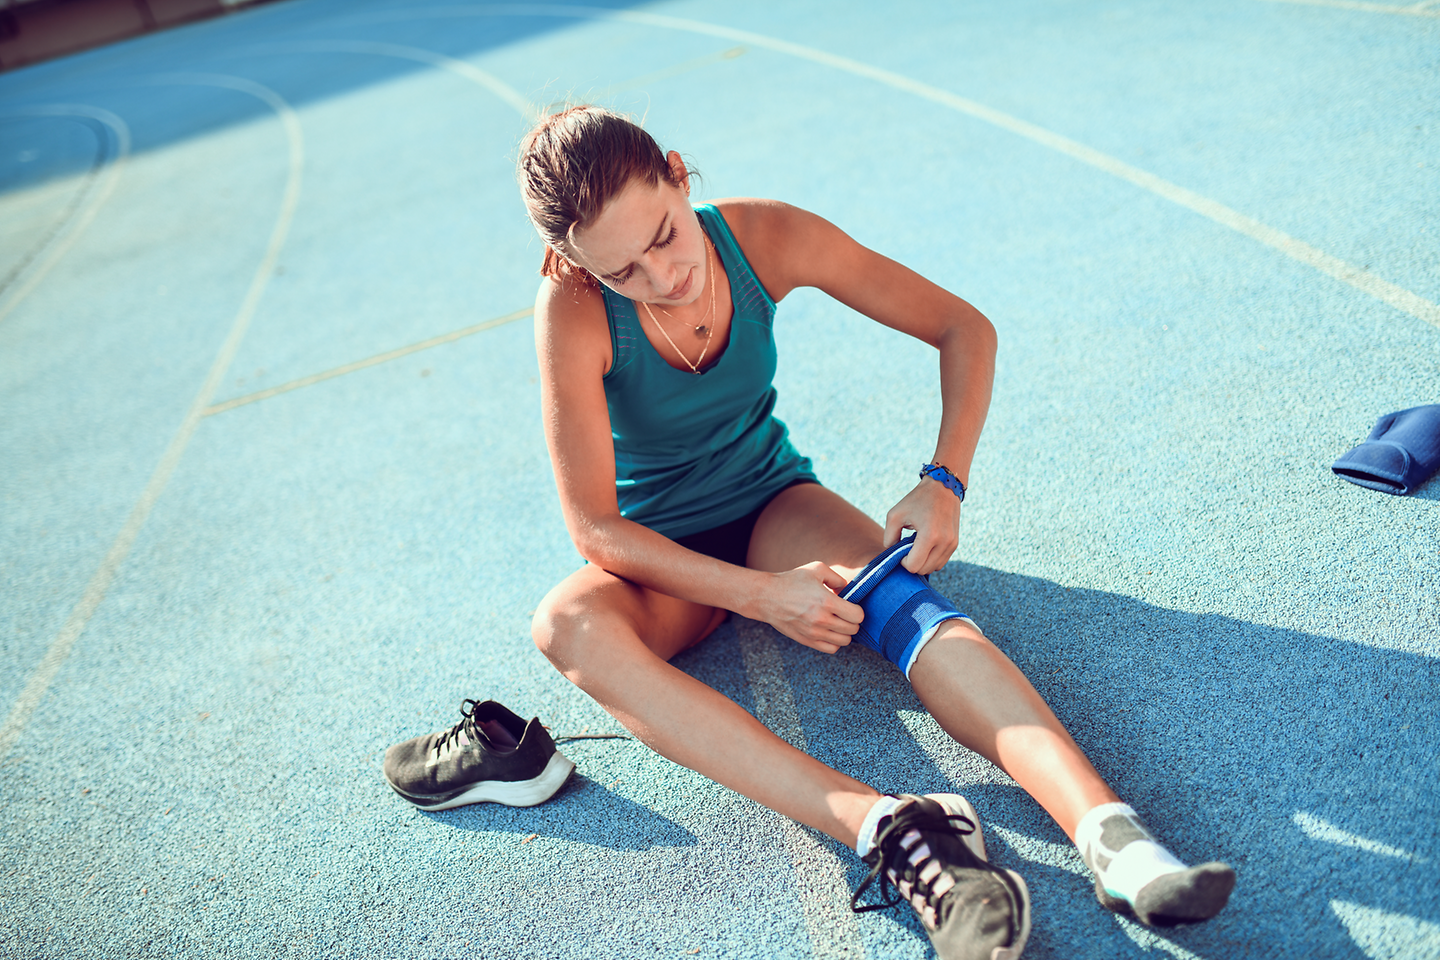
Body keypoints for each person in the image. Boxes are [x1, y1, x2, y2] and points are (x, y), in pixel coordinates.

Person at [384, 106, 1234, 960]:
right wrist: (761, 599)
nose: (663, 275)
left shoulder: (764, 239)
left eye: (666, 236)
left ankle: (1114, 840)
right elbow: (596, 529)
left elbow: (962, 328)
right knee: (564, 625)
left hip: (775, 503)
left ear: (679, 174)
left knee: (909, 606)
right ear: (575, 265)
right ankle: (894, 830)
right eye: (623, 271)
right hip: (662, 561)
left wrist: (945, 480)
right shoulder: (568, 311)